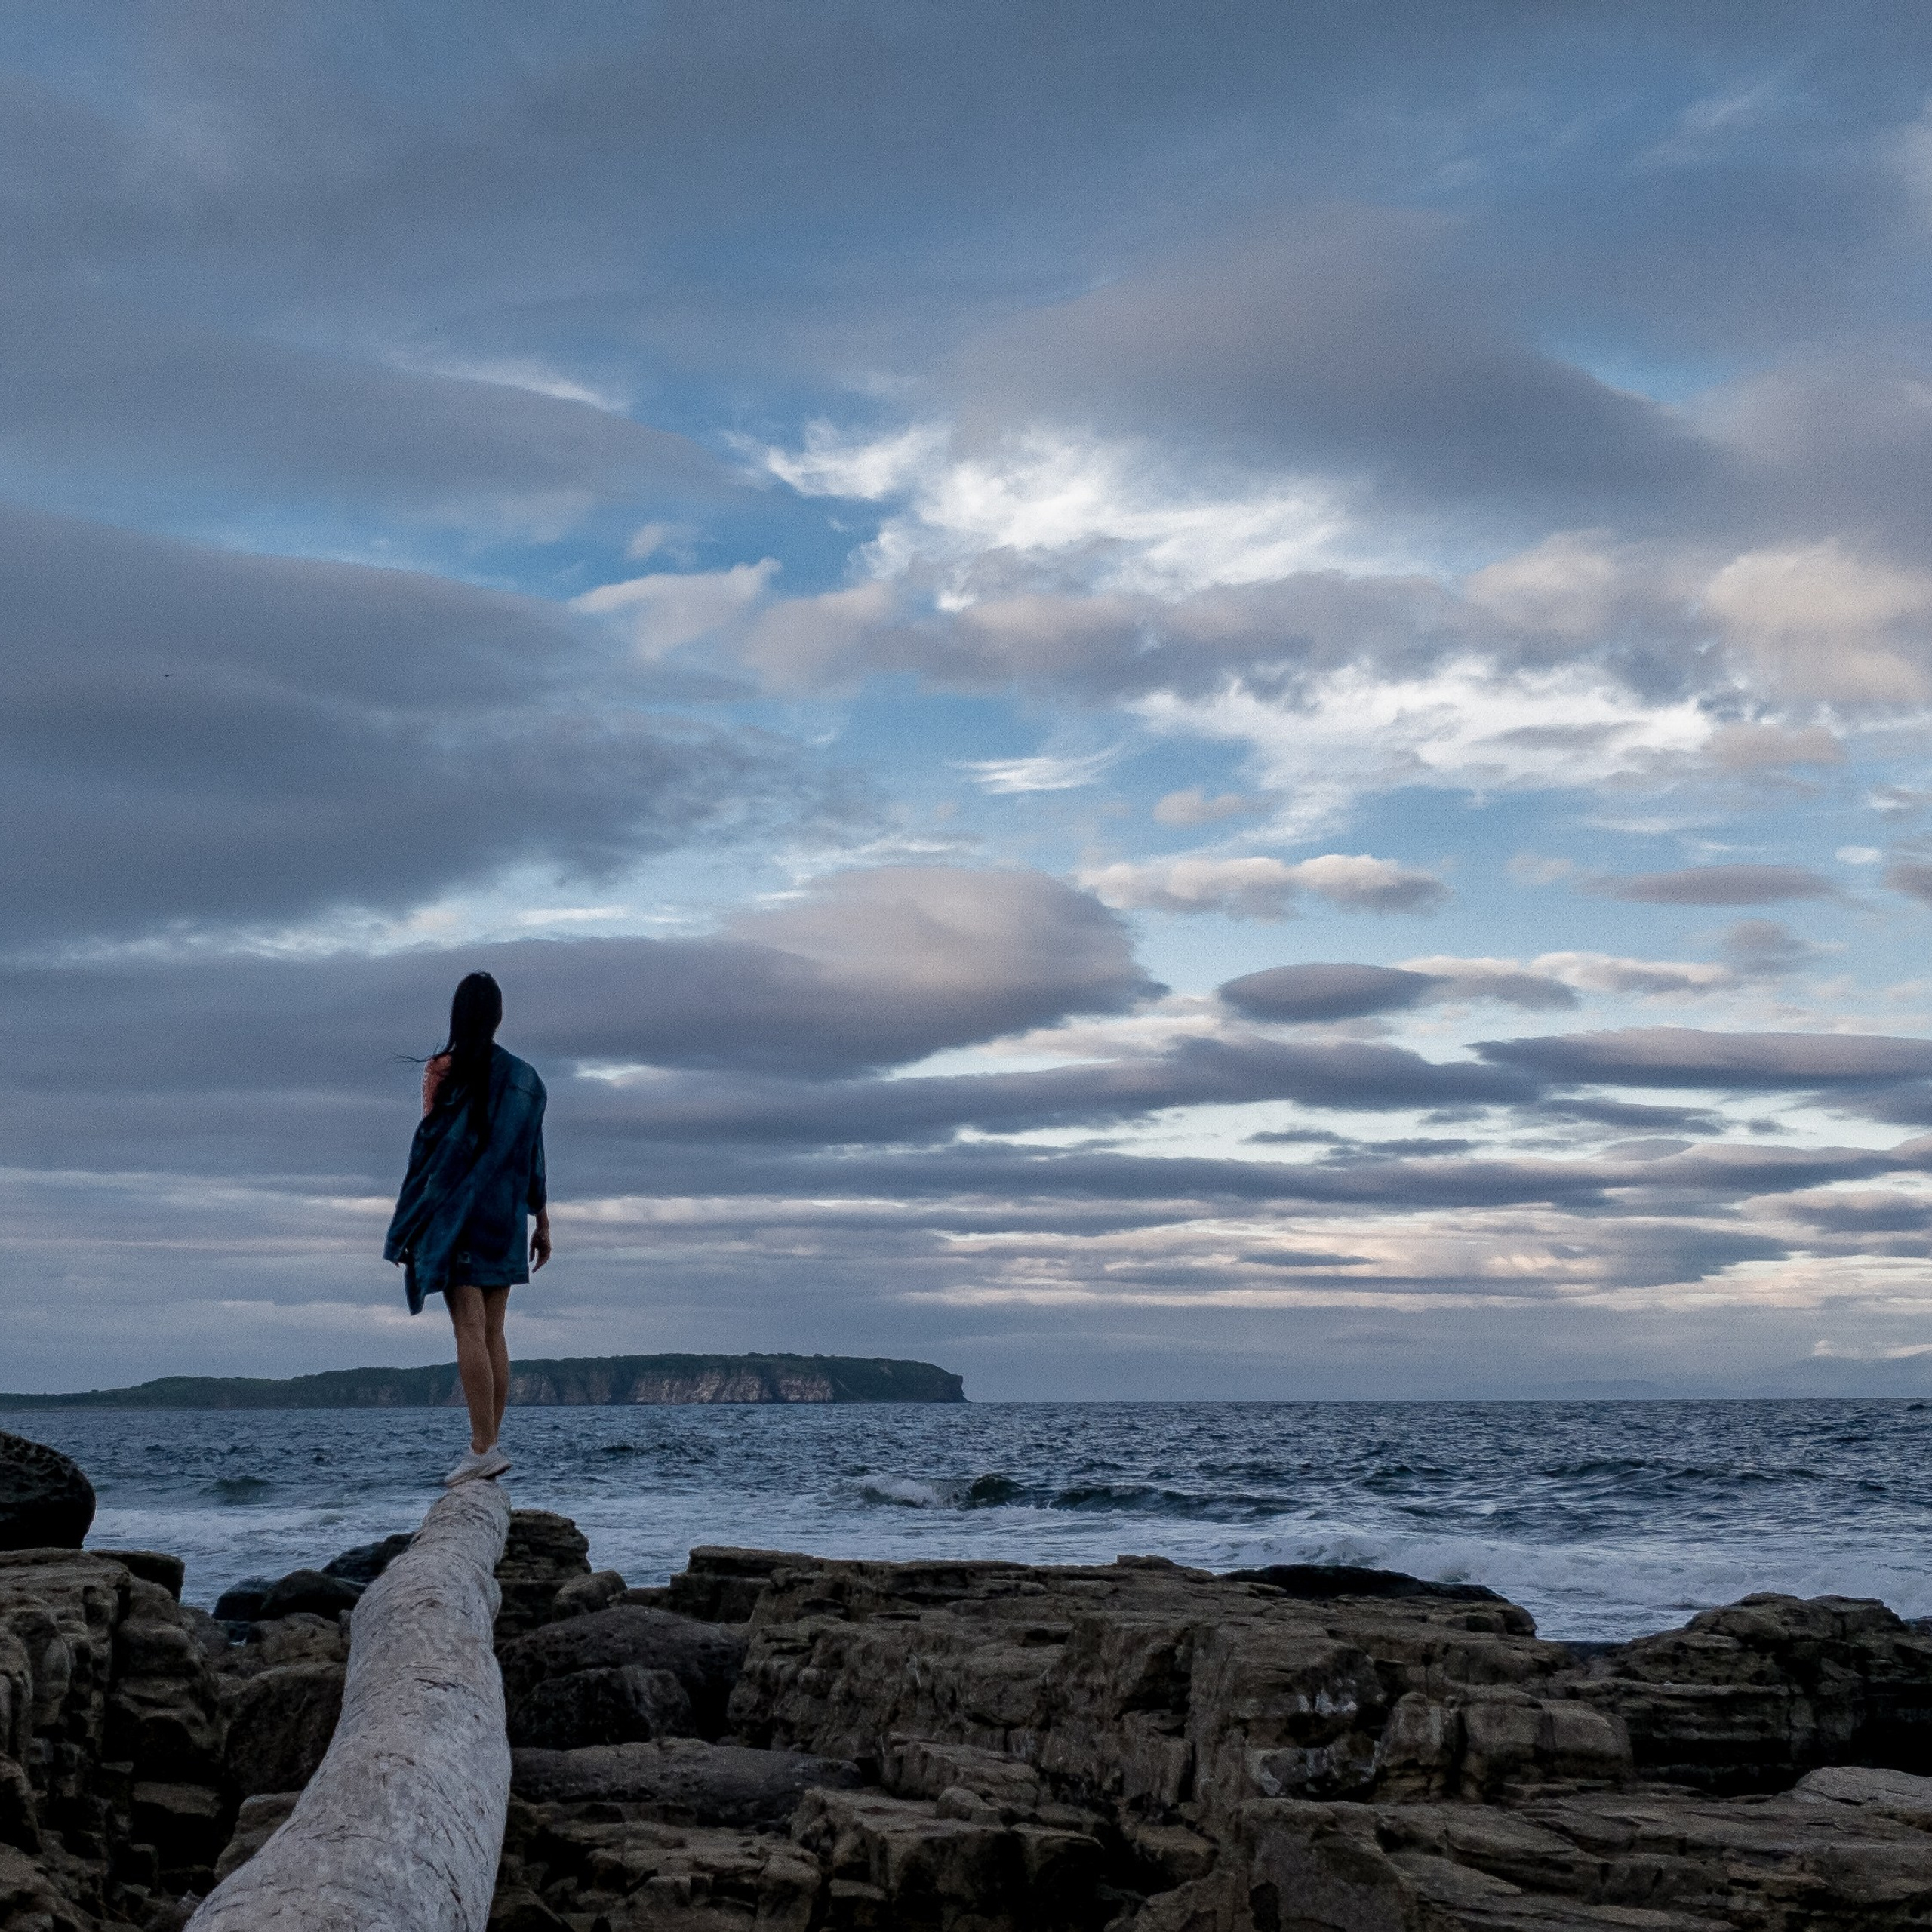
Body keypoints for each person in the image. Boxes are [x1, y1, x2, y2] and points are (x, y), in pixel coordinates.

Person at [383, 971, 551, 1485]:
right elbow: (532, 1158)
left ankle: (482, 1447)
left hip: (459, 1213)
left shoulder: (445, 1069)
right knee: (495, 1331)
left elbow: (432, 1144)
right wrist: (541, 1221)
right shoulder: (527, 1079)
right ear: (498, 1016)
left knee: (469, 1328)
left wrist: (415, 1218)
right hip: (504, 1215)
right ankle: (490, 1446)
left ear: (458, 1016)